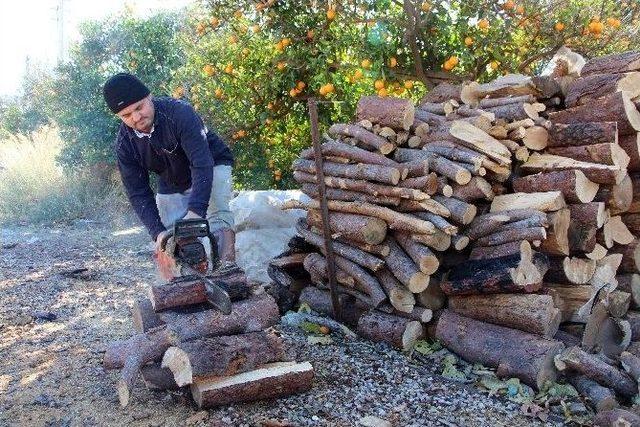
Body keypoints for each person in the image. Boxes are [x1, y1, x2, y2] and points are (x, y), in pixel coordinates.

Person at [103, 72, 237, 276]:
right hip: (171, 177)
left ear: (149, 96)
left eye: (139, 107)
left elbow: (202, 163)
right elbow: (138, 193)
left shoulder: (180, 113)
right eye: (126, 115)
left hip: (211, 163)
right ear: (118, 117)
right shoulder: (124, 144)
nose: (136, 118)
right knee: (171, 235)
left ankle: (228, 270)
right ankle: (186, 279)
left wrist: (195, 213)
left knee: (216, 214)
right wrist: (157, 232)